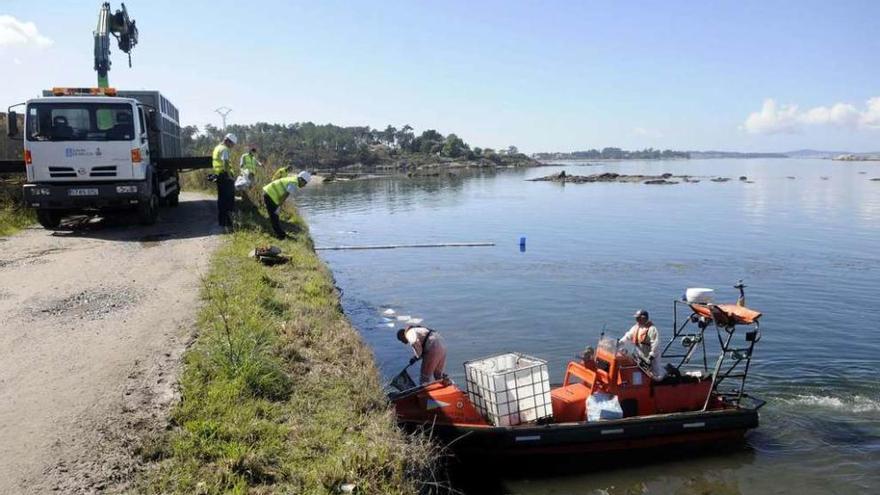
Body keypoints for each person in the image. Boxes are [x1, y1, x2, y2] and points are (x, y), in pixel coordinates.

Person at [262, 170, 310, 239]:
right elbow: (285, 195)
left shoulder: (292, 179)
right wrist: (278, 206)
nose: (304, 186)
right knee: (274, 217)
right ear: (301, 179)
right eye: (305, 183)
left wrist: (278, 205)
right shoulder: (293, 183)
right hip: (270, 195)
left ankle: (279, 234)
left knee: (274, 217)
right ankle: (281, 236)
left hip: (269, 193)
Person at [619, 309, 665, 380]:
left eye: (637, 318)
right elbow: (628, 336)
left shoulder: (652, 329)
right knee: (643, 373)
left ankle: (664, 382)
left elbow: (655, 343)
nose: (636, 320)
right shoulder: (636, 327)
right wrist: (620, 342)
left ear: (643, 318)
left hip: (651, 356)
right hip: (640, 355)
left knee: (657, 375)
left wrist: (652, 355)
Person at [212, 133, 237, 227]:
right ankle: (228, 222)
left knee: (221, 199)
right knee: (228, 200)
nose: (232, 146)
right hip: (225, 177)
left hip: (219, 176)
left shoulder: (217, 148)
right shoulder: (224, 149)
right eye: (232, 144)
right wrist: (230, 176)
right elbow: (225, 163)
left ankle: (222, 221)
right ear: (228, 141)